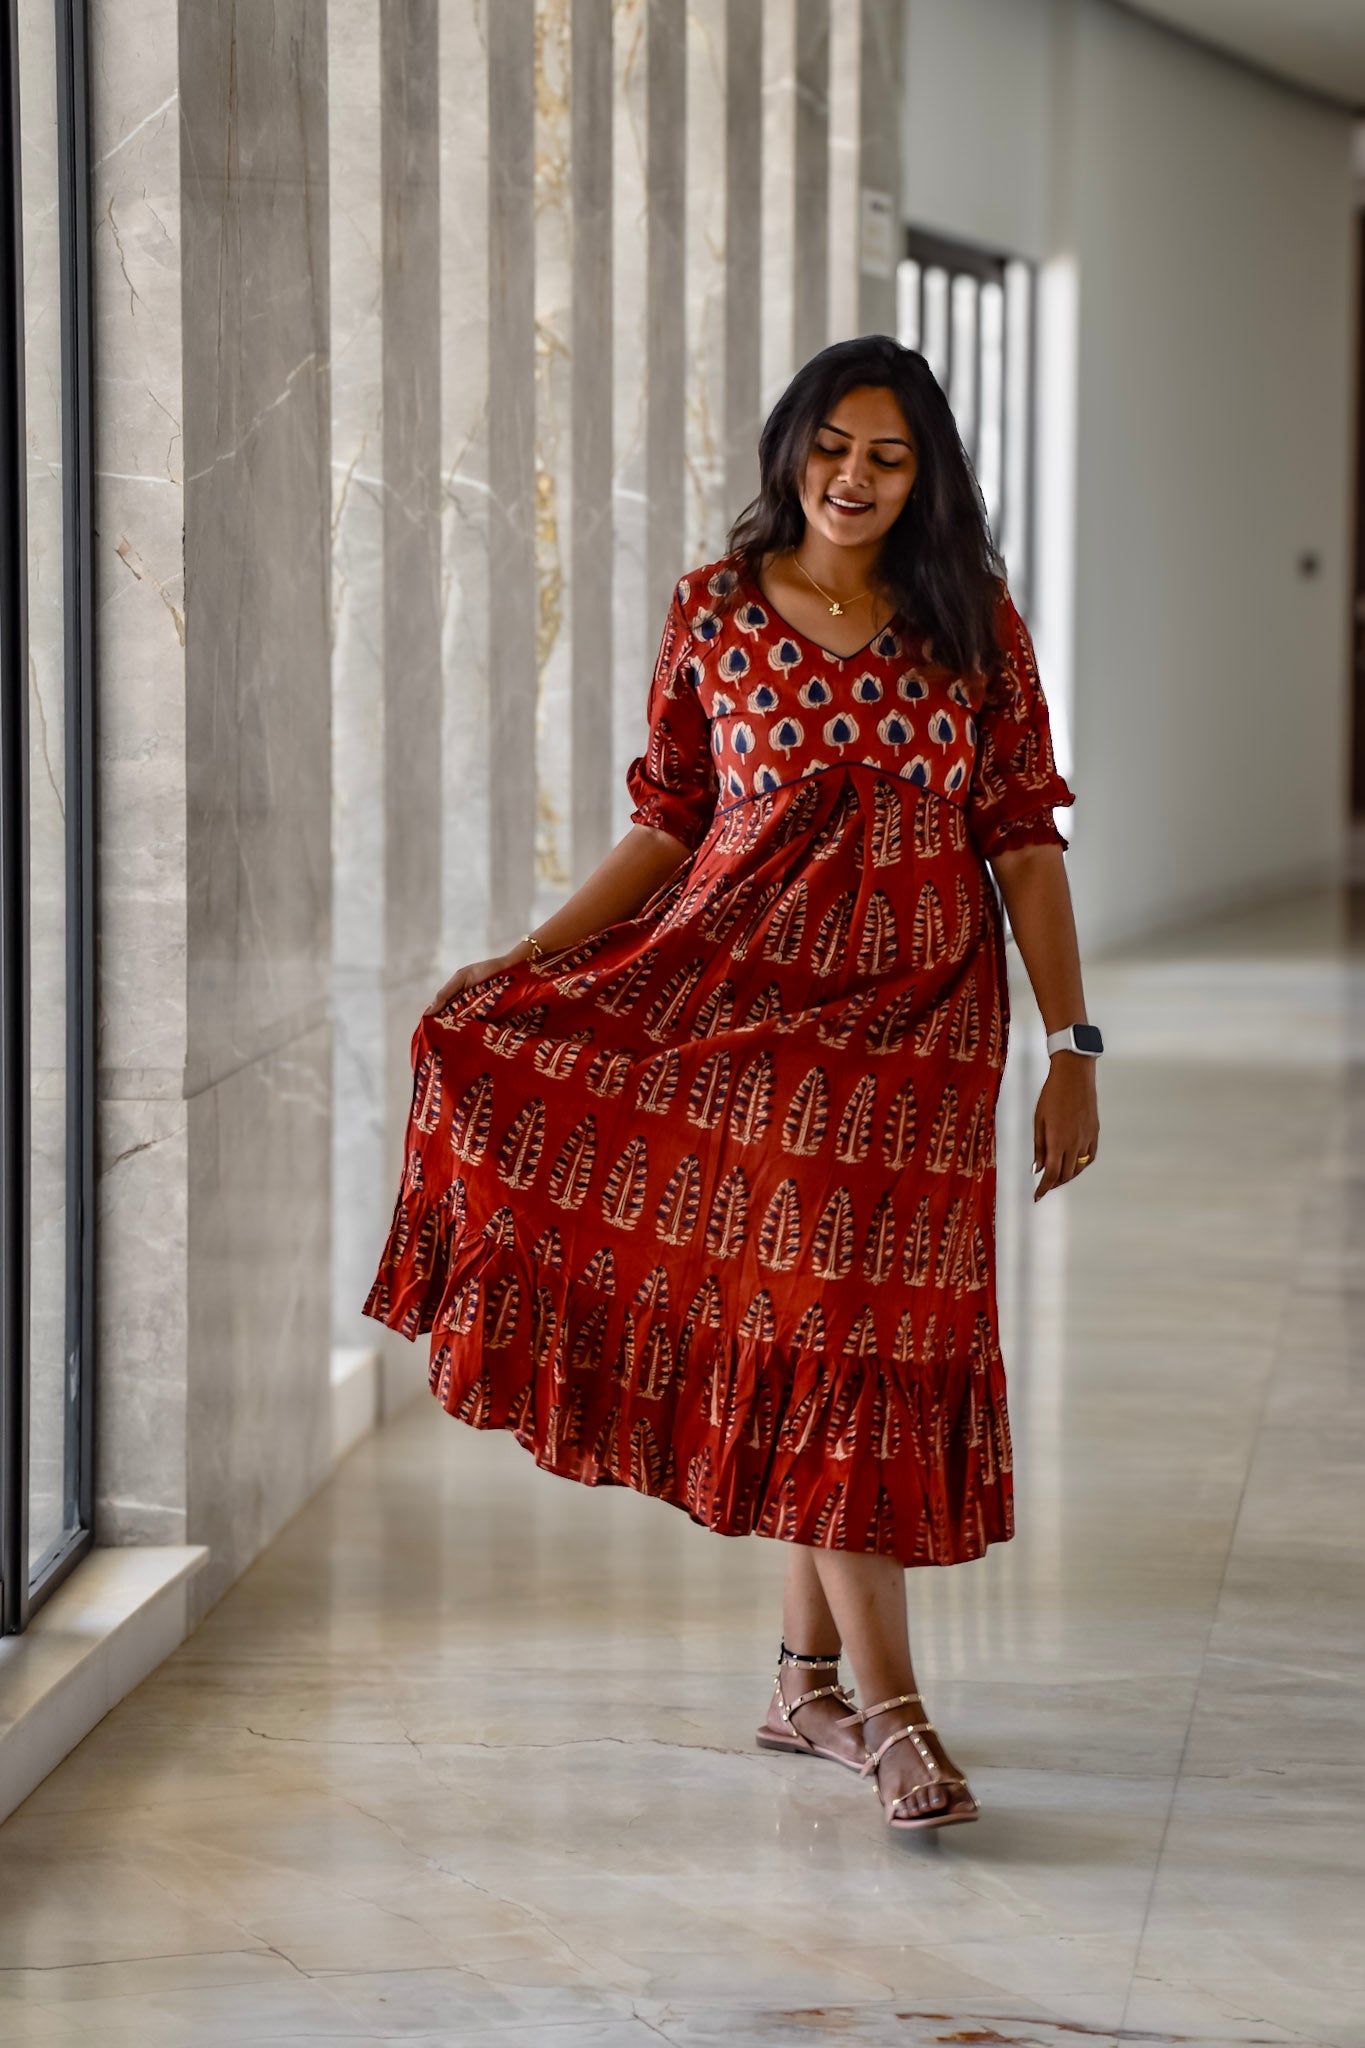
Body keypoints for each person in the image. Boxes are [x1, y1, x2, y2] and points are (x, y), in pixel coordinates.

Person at [363, 333, 1100, 1835]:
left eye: (888, 459)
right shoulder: (713, 610)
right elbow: (666, 822)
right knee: (817, 1321)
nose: (853, 479)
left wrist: (1070, 1049)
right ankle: (890, 1716)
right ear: (789, 451)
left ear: (926, 476)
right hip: (750, 1012)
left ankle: (802, 1685)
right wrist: (523, 959)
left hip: (921, 1031)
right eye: (831, 448)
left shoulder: (971, 622)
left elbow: (1022, 839)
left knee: (851, 1333)